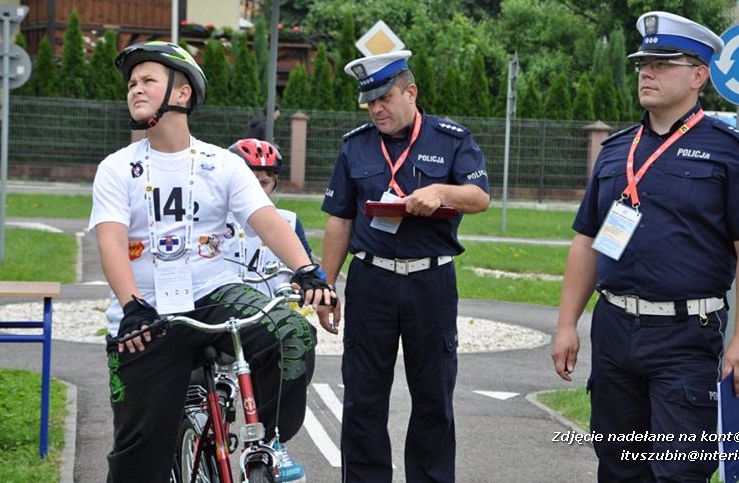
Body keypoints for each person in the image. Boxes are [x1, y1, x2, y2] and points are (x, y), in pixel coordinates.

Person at [89, 40, 335, 483]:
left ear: (182, 94)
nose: (135, 90)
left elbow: (268, 221)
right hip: (145, 313)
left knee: (292, 334)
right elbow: (111, 240)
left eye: (148, 80)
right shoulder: (116, 168)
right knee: (136, 461)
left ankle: (268, 444)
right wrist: (131, 307)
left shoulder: (222, 165)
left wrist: (307, 270)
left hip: (214, 295)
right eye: (131, 83)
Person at [551, 11, 739, 481]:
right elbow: (587, 242)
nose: (646, 72)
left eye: (661, 63)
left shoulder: (731, 150)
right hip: (614, 330)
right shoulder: (616, 150)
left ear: (699, 75)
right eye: (641, 64)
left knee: (677, 473)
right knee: (618, 469)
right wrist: (566, 324)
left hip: (686, 336)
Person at [320, 50, 491, 482]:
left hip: (429, 280)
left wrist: (440, 191)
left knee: (433, 397)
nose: (377, 109)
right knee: (363, 398)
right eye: (369, 102)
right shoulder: (355, 145)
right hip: (371, 280)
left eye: (385, 98)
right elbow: (339, 219)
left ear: (410, 92)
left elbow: (480, 198)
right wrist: (325, 285)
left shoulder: (451, 139)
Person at [225, 137, 325, 296]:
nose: (255, 191)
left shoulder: (288, 221)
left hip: (271, 309)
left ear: (274, 183)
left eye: (263, 183)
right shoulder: (215, 219)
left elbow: (307, 267)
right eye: (248, 183)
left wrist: (316, 288)